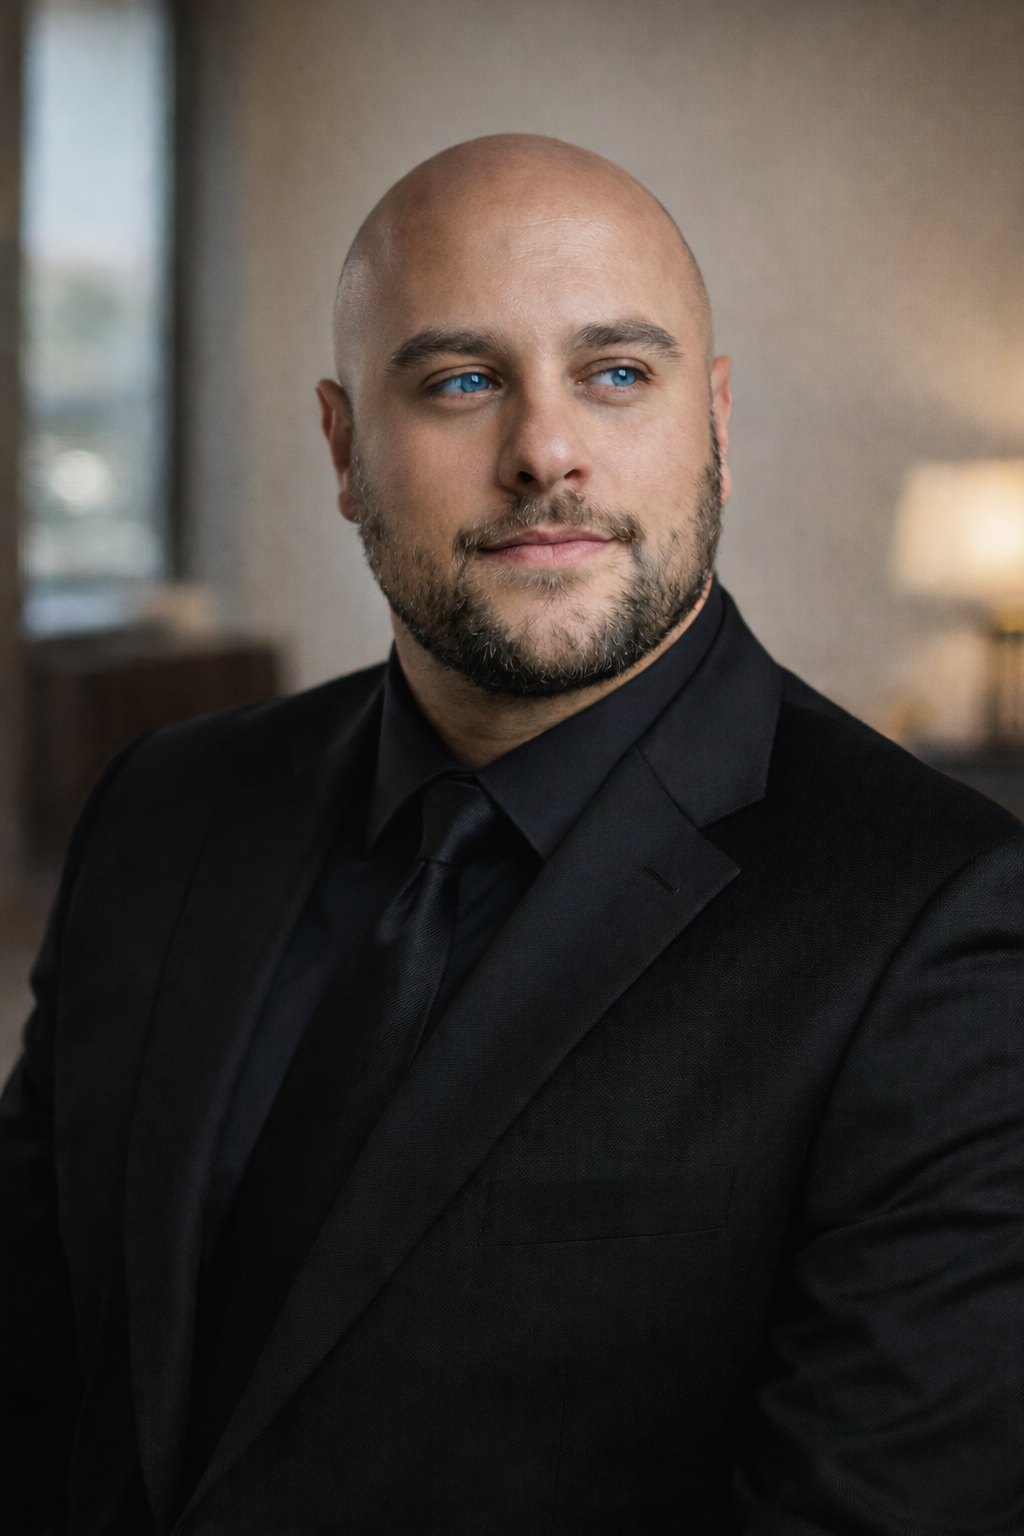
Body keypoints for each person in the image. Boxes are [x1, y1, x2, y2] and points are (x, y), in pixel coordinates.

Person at [1, 134, 1021, 1536]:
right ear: (345, 447)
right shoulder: (161, 806)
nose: (546, 451)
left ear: (715, 422)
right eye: (461, 379)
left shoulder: (945, 925)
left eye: (616, 373)